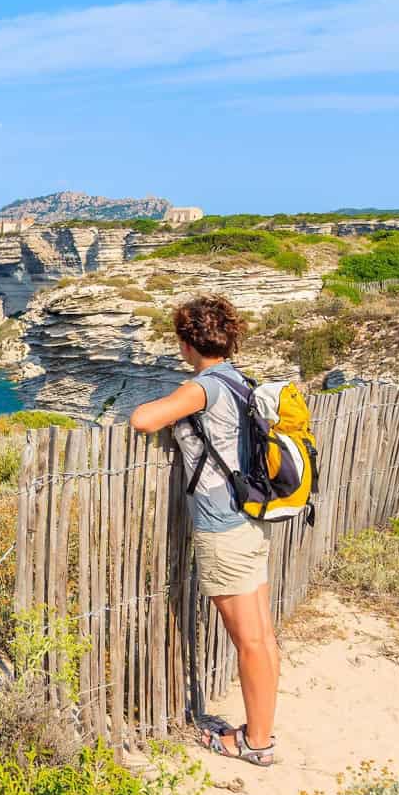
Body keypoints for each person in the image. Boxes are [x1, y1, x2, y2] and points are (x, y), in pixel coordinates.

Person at [128, 295, 278, 767]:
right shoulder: (238, 379)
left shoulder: (205, 386)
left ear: (188, 342)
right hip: (248, 520)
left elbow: (143, 420)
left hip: (221, 527)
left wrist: (177, 396)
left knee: (250, 641)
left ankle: (256, 743)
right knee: (263, 637)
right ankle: (260, 732)